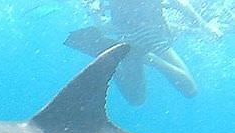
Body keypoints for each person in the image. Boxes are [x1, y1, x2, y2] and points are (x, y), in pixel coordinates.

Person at [64, 0, 223, 105]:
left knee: (136, 99)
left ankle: (110, 57)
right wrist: (205, 27)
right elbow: (180, 4)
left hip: (130, 40)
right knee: (190, 90)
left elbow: (104, 25)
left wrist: (95, 13)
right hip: (148, 37)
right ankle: (138, 58)